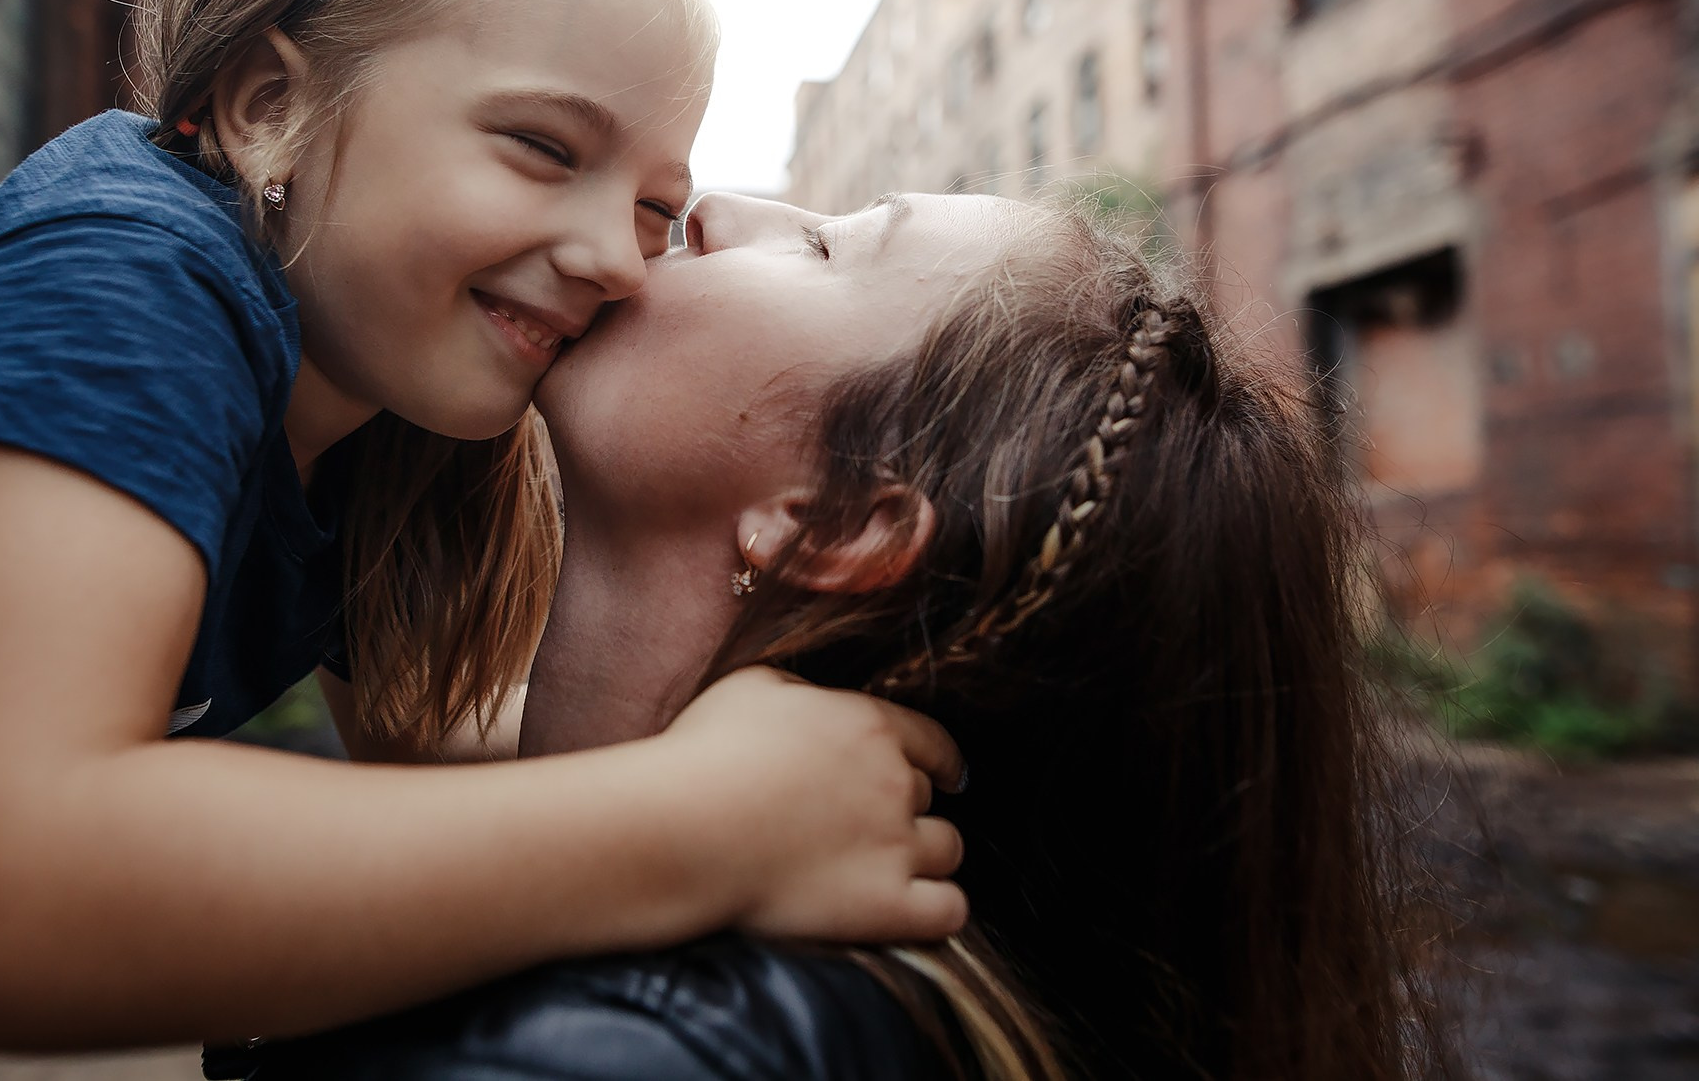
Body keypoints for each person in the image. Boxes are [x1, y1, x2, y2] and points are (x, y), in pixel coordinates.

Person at [0, 0, 969, 1079]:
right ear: (267, 107)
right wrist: (703, 824)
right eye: (540, 146)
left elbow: (425, 734)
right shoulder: (137, 280)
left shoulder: (384, 420)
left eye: (650, 206)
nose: (610, 257)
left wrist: (783, 744)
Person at [234, 190, 1453, 1080]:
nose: (711, 209)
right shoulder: (799, 935)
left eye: (822, 243)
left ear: (836, 520)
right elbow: (417, 723)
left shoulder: (655, 1053)